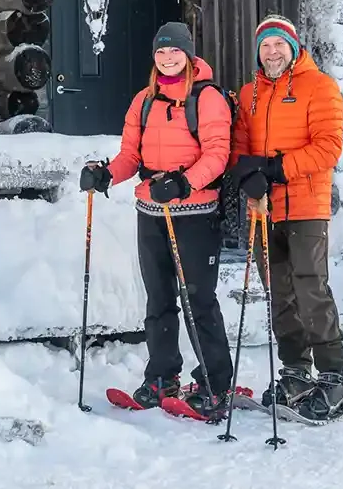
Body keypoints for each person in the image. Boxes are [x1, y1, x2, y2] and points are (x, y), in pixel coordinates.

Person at [80, 21, 234, 417]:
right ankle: (162, 377)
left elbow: (217, 155)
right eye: (161, 52)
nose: (167, 59)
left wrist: (184, 183)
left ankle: (215, 382)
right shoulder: (144, 100)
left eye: (174, 51)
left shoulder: (208, 98)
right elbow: (131, 155)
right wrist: (106, 174)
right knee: (159, 299)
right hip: (151, 210)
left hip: (196, 212)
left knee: (198, 299)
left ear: (188, 54)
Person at [229, 14, 343, 421]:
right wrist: (249, 176)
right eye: (265, 45)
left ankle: (334, 375)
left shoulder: (320, 87)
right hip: (264, 210)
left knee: (311, 290)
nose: (272, 51)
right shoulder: (249, 94)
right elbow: (241, 146)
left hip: (305, 207)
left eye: (279, 44)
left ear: (294, 47)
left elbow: (328, 147)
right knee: (279, 295)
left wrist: (276, 170)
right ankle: (296, 370)